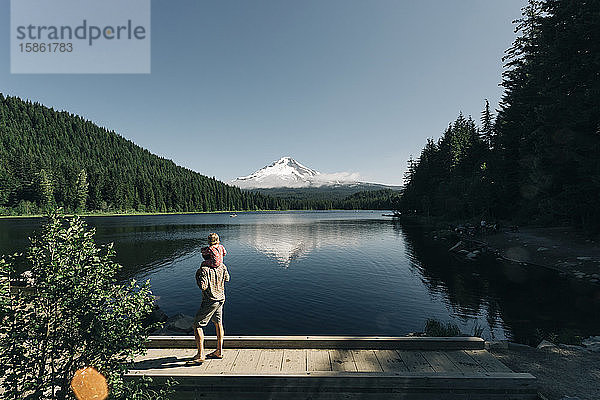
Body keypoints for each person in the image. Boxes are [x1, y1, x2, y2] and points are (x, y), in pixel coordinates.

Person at [186, 233, 230, 365]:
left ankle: (200, 355)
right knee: (218, 324)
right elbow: (227, 279)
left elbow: (203, 286)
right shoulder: (223, 266)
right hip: (221, 298)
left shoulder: (205, 269)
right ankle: (219, 351)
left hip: (210, 300)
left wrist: (197, 275)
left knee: (197, 325)